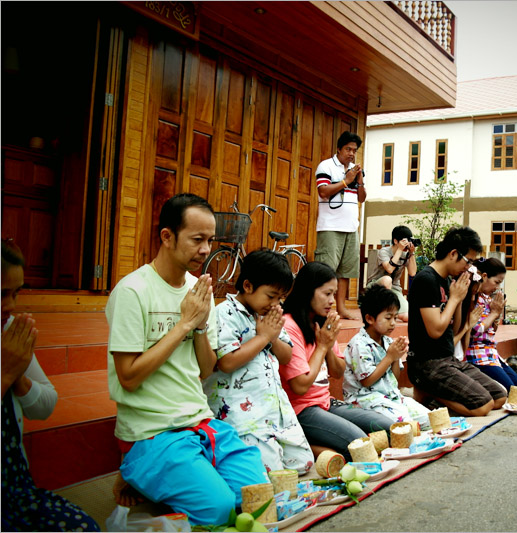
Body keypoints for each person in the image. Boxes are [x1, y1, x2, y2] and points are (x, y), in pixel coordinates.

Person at [106, 193, 269, 525]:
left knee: (258, 498)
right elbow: (129, 377)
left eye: (210, 240)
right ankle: (138, 470)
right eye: (197, 240)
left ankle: (162, 479)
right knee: (219, 510)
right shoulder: (133, 291)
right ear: (167, 237)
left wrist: (198, 325)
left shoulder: (198, 290)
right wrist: (183, 325)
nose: (206, 250)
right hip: (152, 432)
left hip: (200, 423)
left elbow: (205, 369)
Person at [1, 239, 100, 532]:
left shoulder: (10, 334)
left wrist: (18, 377)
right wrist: (5, 374)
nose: (10, 305)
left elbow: (45, 407)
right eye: (1, 294)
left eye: (16, 293)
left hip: (17, 490)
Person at [204, 249, 314, 474]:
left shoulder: (268, 315)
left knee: (304, 464)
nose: (275, 303)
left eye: (280, 298)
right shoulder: (225, 313)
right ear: (247, 286)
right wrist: (262, 337)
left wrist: (271, 337)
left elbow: (286, 356)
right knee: (270, 472)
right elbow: (226, 362)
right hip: (242, 412)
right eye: (271, 295)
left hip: (274, 409)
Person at [280, 262, 392, 460]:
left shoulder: (323, 321)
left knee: (387, 428)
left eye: (334, 294)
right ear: (308, 291)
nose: (332, 300)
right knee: (361, 445)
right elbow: (299, 386)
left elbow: (338, 372)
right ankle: (311, 448)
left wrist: (328, 347)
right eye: (327, 294)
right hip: (301, 410)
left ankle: (320, 444)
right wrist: (322, 346)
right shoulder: (290, 326)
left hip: (326, 403)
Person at [406, 226, 507, 417]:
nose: (469, 267)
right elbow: (435, 331)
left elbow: (456, 327)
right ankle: (430, 395)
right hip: (427, 363)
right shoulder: (426, 280)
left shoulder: (447, 281)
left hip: (448, 359)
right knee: (482, 406)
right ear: (453, 253)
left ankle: (432, 393)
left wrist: (462, 298)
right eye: (468, 261)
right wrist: (453, 299)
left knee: (499, 396)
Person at [342, 285, 430, 428]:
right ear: (370, 318)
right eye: (388, 318)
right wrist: (390, 357)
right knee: (407, 425)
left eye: (395, 317)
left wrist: (396, 357)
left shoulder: (388, 341)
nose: (393, 323)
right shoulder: (359, 344)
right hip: (366, 400)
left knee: (429, 419)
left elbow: (394, 379)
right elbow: (367, 381)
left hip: (390, 396)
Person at [314, 131, 366, 321]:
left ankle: (341, 308)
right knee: (327, 270)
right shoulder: (326, 166)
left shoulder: (356, 170)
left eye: (354, 150)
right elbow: (323, 192)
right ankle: (321, 309)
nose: (352, 154)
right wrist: (346, 181)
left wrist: (359, 182)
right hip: (330, 226)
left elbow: (362, 198)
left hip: (351, 227)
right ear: (339, 149)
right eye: (348, 149)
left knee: (346, 271)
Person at [464, 258, 517, 393]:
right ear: (484, 276)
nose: (497, 287)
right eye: (496, 282)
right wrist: (494, 313)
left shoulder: (488, 299)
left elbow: (491, 330)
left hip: (491, 353)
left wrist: (496, 315)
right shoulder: (474, 298)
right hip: (477, 355)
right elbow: (475, 330)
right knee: (510, 390)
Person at [365, 225, 417, 321]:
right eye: (404, 241)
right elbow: (389, 269)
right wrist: (400, 250)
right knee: (387, 280)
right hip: (376, 286)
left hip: (394, 289)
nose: (406, 244)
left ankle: (392, 312)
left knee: (408, 316)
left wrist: (411, 253)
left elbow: (412, 273)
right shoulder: (384, 251)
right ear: (395, 241)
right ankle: (384, 311)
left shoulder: (406, 254)